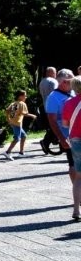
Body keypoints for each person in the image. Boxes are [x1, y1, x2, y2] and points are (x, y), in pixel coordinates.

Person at [46, 69, 76, 198]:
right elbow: (52, 120)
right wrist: (61, 138)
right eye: (72, 80)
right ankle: (78, 192)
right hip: (68, 136)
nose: (74, 82)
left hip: (77, 133)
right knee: (73, 164)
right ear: (64, 82)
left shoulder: (73, 92)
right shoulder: (53, 97)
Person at [59, 78, 81, 220]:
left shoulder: (68, 103)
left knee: (79, 176)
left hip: (75, 140)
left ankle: (76, 210)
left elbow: (65, 124)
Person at [3, 89, 34, 159]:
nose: (26, 97)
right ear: (20, 96)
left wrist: (8, 120)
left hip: (13, 123)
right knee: (17, 139)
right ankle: (7, 152)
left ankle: (21, 152)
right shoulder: (22, 103)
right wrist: (33, 116)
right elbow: (25, 113)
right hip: (17, 123)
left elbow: (7, 111)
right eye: (25, 96)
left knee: (24, 136)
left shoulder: (13, 103)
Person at [39, 66, 59, 154]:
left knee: (52, 125)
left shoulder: (42, 82)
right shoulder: (53, 81)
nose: (56, 74)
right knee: (57, 125)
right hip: (54, 107)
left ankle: (51, 140)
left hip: (46, 106)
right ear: (50, 72)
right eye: (54, 72)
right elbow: (56, 94)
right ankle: (46, 141)